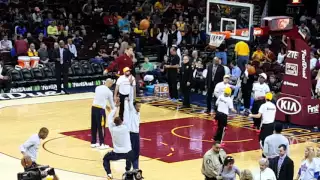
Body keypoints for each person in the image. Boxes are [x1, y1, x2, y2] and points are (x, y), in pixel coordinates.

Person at [103, 107, 133, 179]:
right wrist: (125, 102)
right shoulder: (126, 127)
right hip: (127, 152)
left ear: (114, 123)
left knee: (105, 158)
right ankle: (128, 172)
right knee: (129, 156)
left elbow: (109, 118)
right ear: (122, 122)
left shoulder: (112, 129)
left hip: (117, 153)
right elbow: (127, 116)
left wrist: (115, 108)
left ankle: (109, 174)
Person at [91, 79, 115, 149]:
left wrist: (106, 105)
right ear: (110, 84)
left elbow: (99, 98)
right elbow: (111, 104)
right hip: (100, 110)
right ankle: (102, 144)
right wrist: (114, 109)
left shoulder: (97, 88)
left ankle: (93, 142)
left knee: (94, 125)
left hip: (93, 107)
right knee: (101, 127)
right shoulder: (109, 92)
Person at [124, 97, 141, 170]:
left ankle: (136, 170)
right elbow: (129, 105)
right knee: (130, 152)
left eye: (140, 106)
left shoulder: (138, 113)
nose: (139, 107)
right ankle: (128, 168)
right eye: (137, 106)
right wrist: (126, 101)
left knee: (136, 153)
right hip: (131, 135)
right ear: (134, 107)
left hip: (136, 135)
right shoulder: (132, 112)